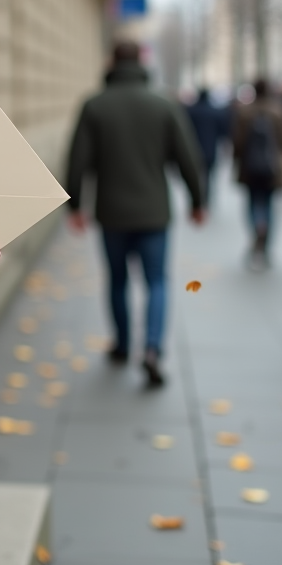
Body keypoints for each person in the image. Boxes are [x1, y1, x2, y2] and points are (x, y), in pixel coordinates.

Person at [66, 42, 206, 388]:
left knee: (117, 280)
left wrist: (75, 206)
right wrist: (198, 200)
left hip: (111, 212)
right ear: (142, 62)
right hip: (154, 213)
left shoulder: (94, 105)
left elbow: (77, 160)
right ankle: (154, 349)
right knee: (157, 281)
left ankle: (122, 345)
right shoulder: (163, 104)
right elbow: (188, 158)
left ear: (112, 62)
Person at [231, 79, 282, 269]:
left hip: (249, 166)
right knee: (268, 204)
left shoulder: (245, 111)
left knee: (253, 202)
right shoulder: (280, 110)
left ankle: (256, 230)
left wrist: (238, 159)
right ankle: (265, 240)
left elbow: (238, 141)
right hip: (273, 166)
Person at [185, 86, 230, 203]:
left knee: (195, 174)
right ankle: (206, 198)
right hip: (210, 148)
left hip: (193, 148)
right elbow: (223, 131)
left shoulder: (191, 111)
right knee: (209, 176)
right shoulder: (214, 111)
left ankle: (197, 197)